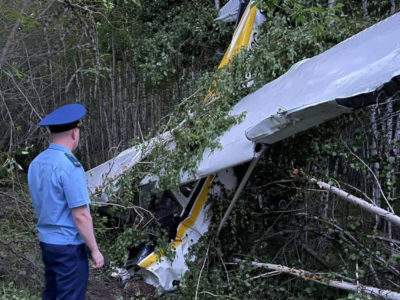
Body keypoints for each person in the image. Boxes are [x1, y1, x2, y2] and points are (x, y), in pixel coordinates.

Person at [28, 103, 104, 300]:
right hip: (68, 247)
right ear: (74, 133)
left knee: (51, 294)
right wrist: (95, 250)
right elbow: (80, 215)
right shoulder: (71, 167)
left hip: (47, 243)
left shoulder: (37, 163)